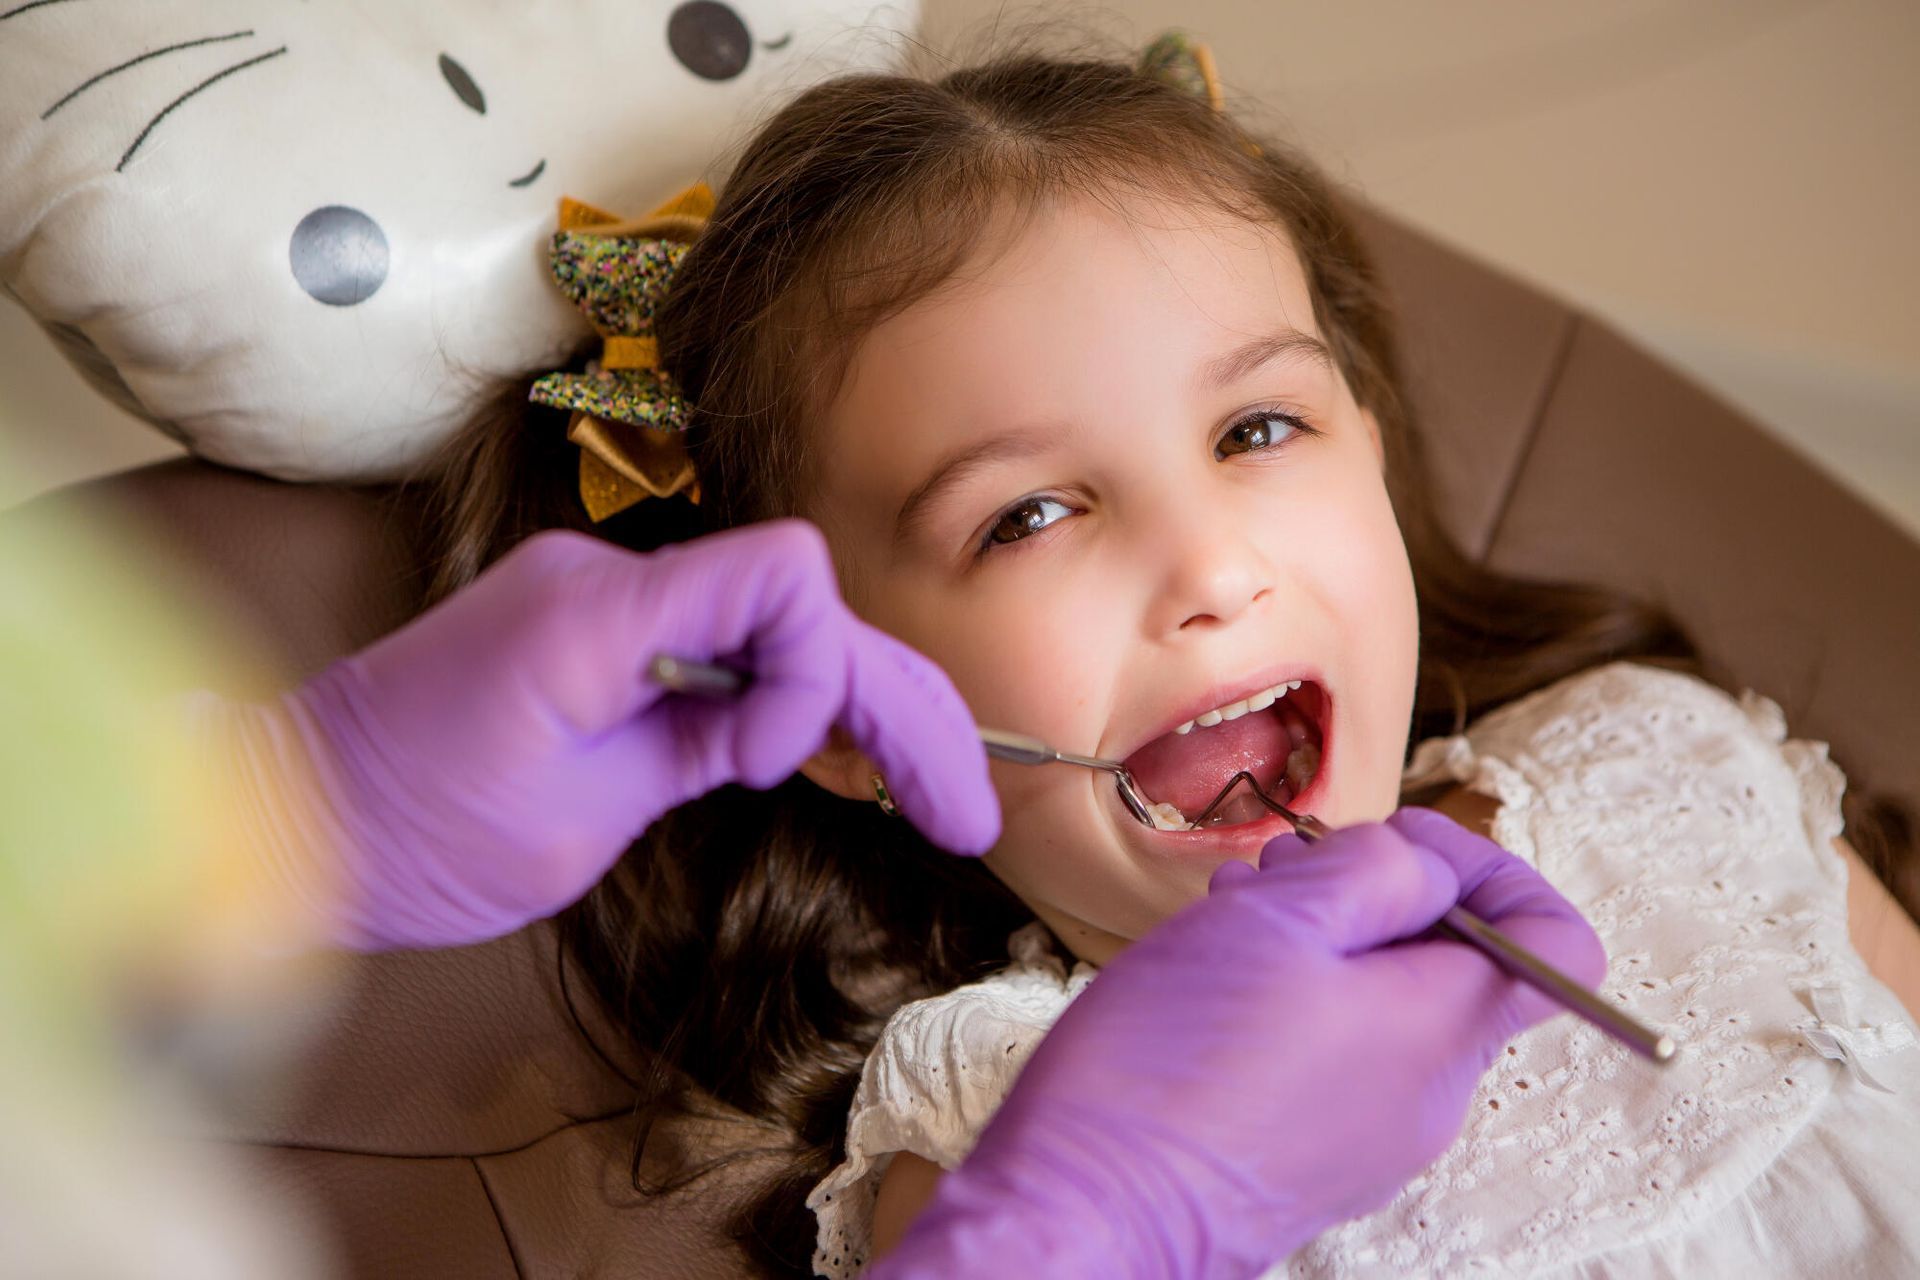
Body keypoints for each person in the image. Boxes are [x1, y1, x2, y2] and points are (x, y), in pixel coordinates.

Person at [220, 37, 1920, 1280]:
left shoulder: (1682, 769)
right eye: (1026, 517)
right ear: (845, 716)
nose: (1206, 564)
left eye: (1260, 426)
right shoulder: (982, 1139)